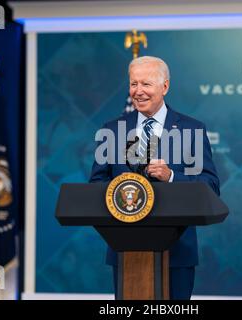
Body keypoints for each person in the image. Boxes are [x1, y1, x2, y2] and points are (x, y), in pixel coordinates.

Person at [89, 56, 220, 300]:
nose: (138, 92)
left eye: (146, 84)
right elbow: (96, 185)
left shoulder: (192, 130)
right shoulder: (111, 130)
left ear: (165, 87)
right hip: (125, 250)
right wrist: (121, 190)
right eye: (133, 84)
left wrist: (171, 176)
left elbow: (210, 187)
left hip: (177, 252)